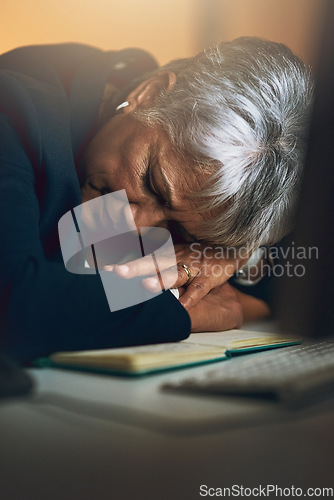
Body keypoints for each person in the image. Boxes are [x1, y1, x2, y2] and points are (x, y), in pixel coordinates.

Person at [0, 38, 313, 363]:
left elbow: (314, 279)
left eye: (181, 230)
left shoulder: (177, 170)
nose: (135, 227)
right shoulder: (12, 107)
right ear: (148, 95)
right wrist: (182, 308)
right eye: (152, 184)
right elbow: (14, 301)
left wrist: (229, 254)